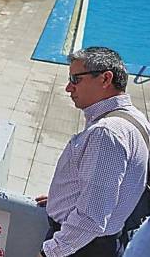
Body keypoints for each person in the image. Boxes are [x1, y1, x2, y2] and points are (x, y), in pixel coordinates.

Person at [36, 47, 149, 257]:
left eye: (75, 79)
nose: (68, 88)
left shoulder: (107, 133)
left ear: (106, 79)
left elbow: (91, 217)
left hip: (82, 248)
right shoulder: (135, 119)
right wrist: (63, 198)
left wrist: (50, 253)